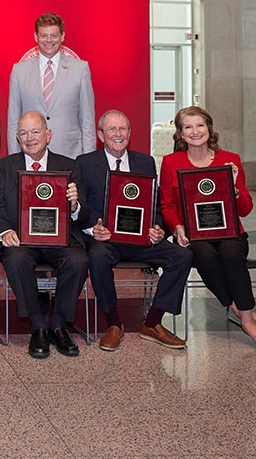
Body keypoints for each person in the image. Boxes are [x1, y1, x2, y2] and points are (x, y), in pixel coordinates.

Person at [160, 106, 256, 353]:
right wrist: (177, 227)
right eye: (188, 127)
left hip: (230, 233)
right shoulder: (171, 163)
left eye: (200, 125)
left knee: (229, 253)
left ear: (209, 128)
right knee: (203, 254)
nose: (195, 131)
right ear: (181, 134)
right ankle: (243, 313)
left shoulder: (230, 160)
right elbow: (168, 205)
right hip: (193, 235)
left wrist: (234, 188)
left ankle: (246, 321)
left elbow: (246, 208)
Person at [76, 110, 192, 351]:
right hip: (106, 240)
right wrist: (92, 229)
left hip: (142, 239)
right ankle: (113, 323)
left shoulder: (145, 161)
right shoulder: (85, 163)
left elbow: (156, 204)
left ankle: (152, 322)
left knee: (183, 256)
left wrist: (157, 227)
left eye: (123, 129)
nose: (118, 134)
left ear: (129, 133)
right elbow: (81, 206)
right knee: (97, 256)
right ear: (101, 135)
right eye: (112, 130)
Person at [0, 111, 90, 359]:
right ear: (16, 137)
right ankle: (38, 326)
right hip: (20, 239)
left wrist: (76, 205)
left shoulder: (70, 166)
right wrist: (5, 231)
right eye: (23, 133)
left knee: (78, 260)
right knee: (15, 259)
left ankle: (58, 325)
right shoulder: (3, 167)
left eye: (35, 132)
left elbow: (85, 213)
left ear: (48, 135)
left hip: (60, 239)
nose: (30, 138)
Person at [6, 13, 95, 159]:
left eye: (54, 35)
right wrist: (14, 159)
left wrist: (89, 160)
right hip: (31, 155)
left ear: (62, 36)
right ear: (36, 37)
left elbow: (87, 121)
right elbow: (13, 121)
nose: (49, 40)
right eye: (44, 35)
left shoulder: (80, 69)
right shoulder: (19, 71)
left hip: (71, 154)